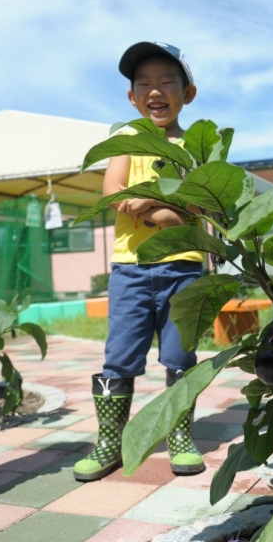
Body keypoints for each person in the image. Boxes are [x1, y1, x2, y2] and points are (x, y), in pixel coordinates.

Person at [73, 42, 206, 481]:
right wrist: (165, 207)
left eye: (167, 81)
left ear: (187, 92)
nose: (155, 90)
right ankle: (110, 441)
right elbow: (115, 193)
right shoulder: (127, 138)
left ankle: (180, 437)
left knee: (180, 356)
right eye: (144, 83)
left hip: (183, 266)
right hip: (130, 268)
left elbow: (201, 209)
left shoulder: (196, 147)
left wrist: (146, 201)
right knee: (119, 357)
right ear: (132, 97)